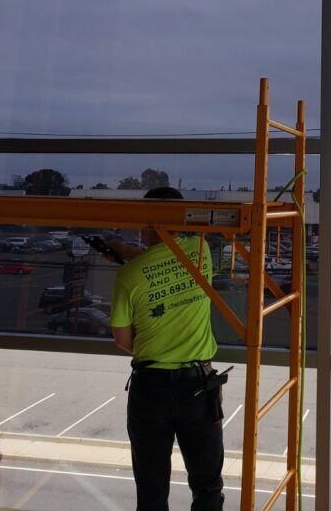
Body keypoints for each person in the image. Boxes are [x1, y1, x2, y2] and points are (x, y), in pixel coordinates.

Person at [110, 186, 225, 511]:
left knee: (151, 490)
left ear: (147, 223)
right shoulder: (203, 252)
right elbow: (170, 258)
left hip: (151, 389)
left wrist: (128, 255)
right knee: (207, 487)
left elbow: (122, 340)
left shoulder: (128, 275)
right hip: (199, 387)